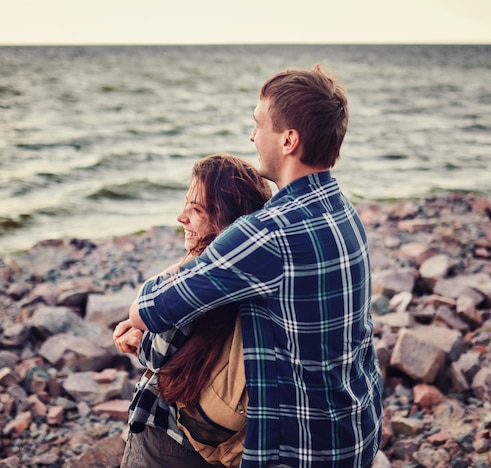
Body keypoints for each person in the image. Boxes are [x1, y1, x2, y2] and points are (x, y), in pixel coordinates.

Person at [129, 65, 383, 467]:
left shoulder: (269, 232)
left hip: (301, 450)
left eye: (258, 124)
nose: (251, 136)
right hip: (354, 431)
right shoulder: (343, 213)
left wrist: (144, 310)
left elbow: (150, 310)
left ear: (288, 140)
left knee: (152, 421)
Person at [114, 153, 272, 467]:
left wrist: (140, 335)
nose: (181, 217)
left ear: (224, 218)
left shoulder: (201, 281)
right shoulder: (256, 263)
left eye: (196, 209)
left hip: (171, 435)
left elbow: (156, 355)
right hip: (226, 440)